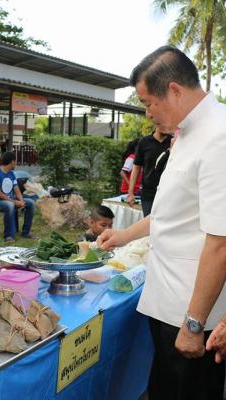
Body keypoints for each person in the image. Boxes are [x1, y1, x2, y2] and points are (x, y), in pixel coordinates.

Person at [97, 46, 226, 400]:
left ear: (174, 90)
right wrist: (123, 235)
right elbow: (171, 213)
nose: (147, 112)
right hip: (169, 302)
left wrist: (194, 323)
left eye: (148, 102)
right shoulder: (185, 131)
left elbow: (221, 243)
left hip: (191, 311)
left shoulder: (218, 136)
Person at [0, 151, 34, 242]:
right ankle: (8, 236)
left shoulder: (11, 174)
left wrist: (21, 201)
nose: (15, 163)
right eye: (15, 161)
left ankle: (26, 232)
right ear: (12, 162)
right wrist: (14, 202)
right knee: (10, 205)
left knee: (30, 203)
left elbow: (16, 189)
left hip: (9, 199)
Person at [127, 127, 172, 216]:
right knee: (149, 221)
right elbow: (136, 167)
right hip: (148, 193)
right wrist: (130, 193)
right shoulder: (144, 142)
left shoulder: (174, 142)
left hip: (168, 192)